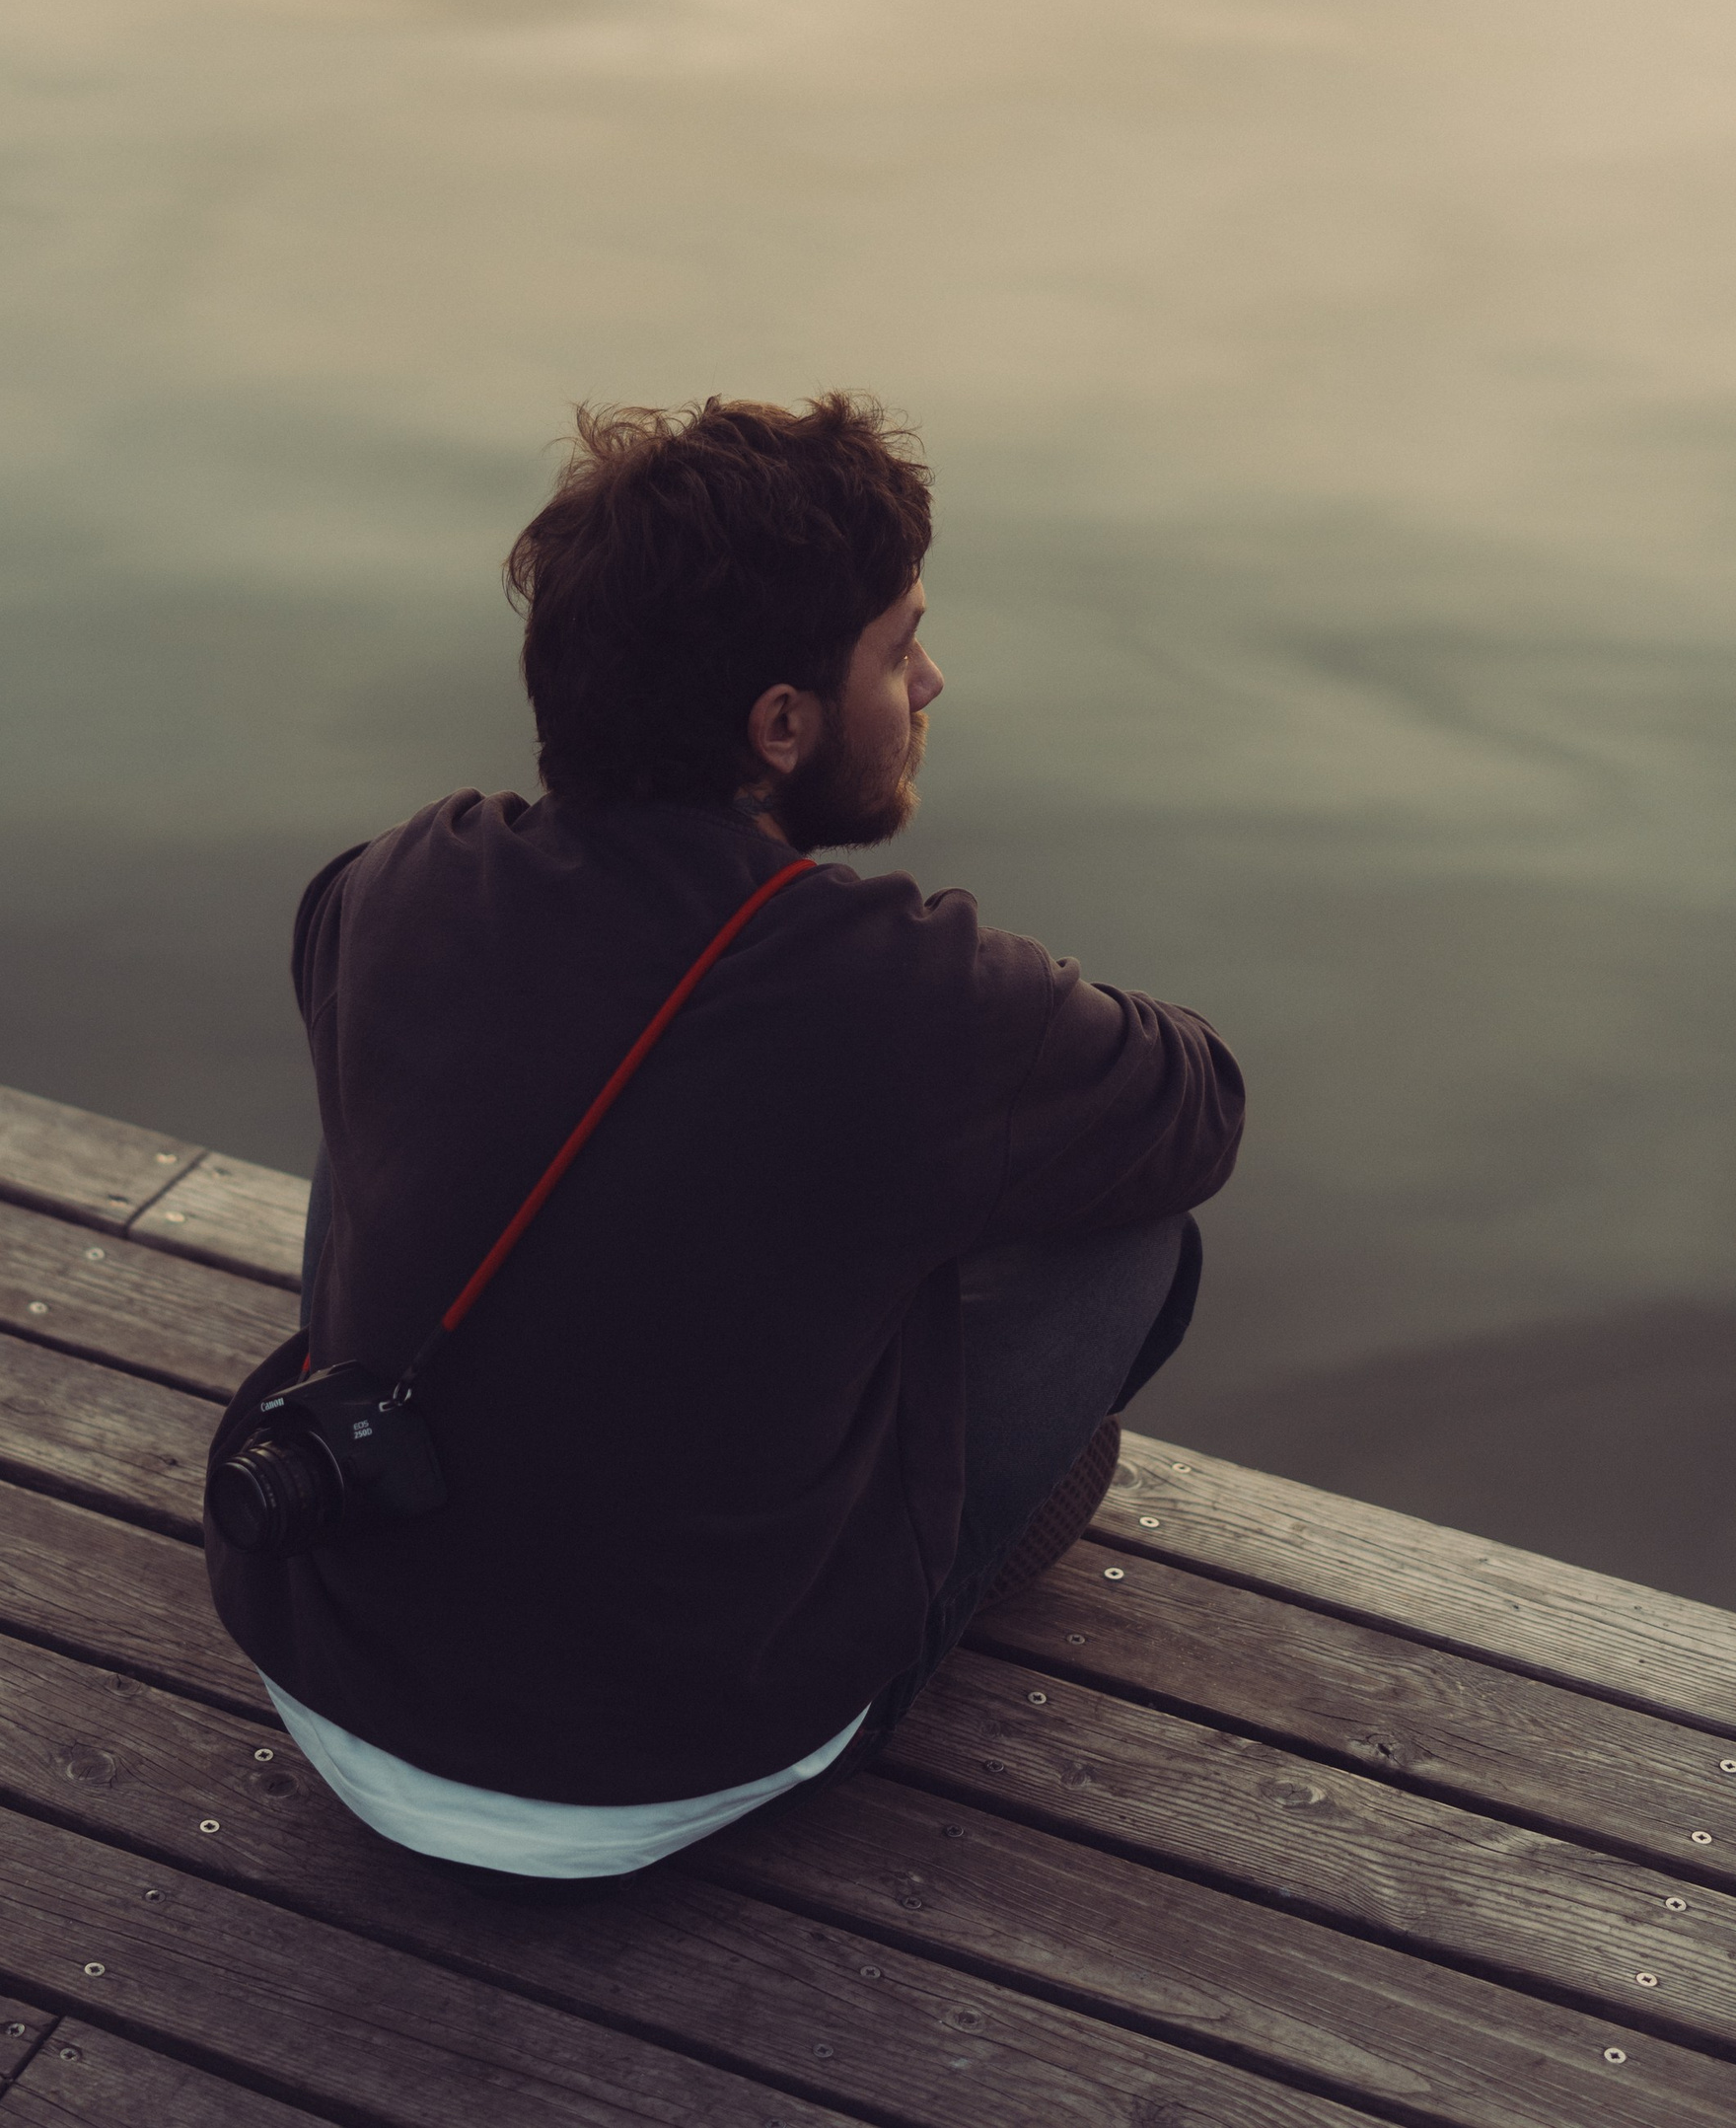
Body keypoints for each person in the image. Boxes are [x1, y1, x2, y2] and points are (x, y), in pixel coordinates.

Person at [203, 393, 1243, 1892]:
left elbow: (351, 967)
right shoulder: (911, 993)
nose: (933, 679)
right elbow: (1196, 1103)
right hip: (664, 1773)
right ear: (781, 725)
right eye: (899, 649)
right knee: (1134, 1224)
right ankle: (937, 1567)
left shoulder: (396, 880)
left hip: (331, 1686)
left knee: (388, 1083)